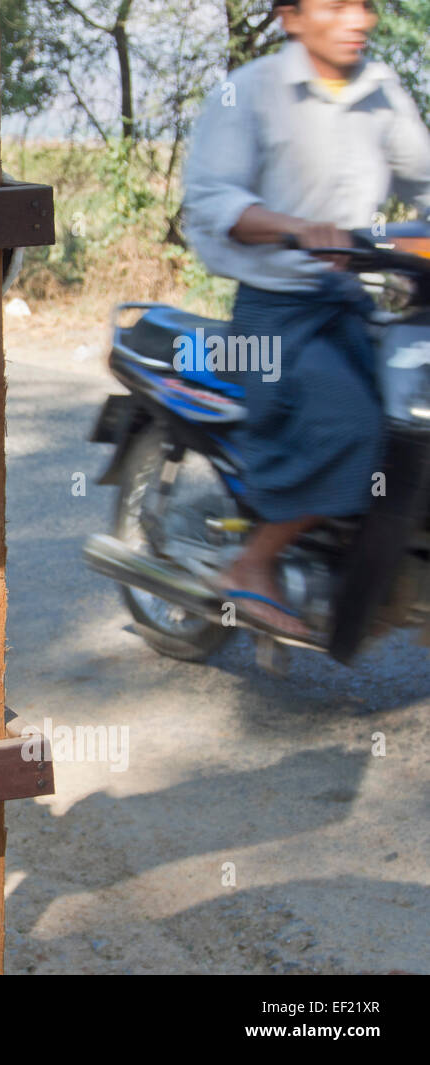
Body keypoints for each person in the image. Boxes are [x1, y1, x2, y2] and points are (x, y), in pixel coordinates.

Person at [183, 0, 430, 640]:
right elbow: (214, 200)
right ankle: (252, 562)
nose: (360, 19)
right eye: (337, 5)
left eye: (366, 5)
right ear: (291, 17)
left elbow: (425, 181)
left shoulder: (381, 90)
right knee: (352, 425)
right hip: (274, 315)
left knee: (410, 423)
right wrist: (296, 227)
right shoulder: (252, 91)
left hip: (349, 300)